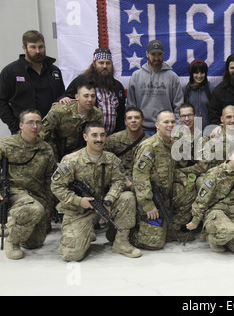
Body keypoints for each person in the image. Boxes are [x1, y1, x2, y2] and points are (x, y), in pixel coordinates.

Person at [51, 121, 141, 261]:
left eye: (102, 135)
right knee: (71, 255)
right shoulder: (71, 160)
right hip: (78, 211)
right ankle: (85, 233)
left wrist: (109, 199)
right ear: (85, 137)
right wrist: (79, 201)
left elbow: (119, 181)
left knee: (128, 196)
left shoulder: (111, 159)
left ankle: (121, 241)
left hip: (103, 205)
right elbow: (56, 186)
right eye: (94, 135)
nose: (99, 139)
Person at [131, 110, 195, 249]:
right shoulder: (150, 146)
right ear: (157, 125)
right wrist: (148, 204)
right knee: (155, 243)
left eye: (173, 122)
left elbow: (172, 169)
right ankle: (128, 234)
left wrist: (184, 179)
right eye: (166, 122)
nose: (170, 125)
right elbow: (139, 176)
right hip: (149, 198)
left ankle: (172, 229)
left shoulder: (171, 144)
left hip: (165, 195)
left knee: (189, 192)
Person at [0, 109, 55, 259]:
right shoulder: (5, 145)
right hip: (13, 192)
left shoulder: (46, 149)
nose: (35, 126)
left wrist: (49, 205)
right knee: (33, 209)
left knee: (34, 243)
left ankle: (12, 225)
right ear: (21, 125)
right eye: (30, 122)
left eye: (38, 122)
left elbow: (49, 180)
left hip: (36, 195)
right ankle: (12, 242)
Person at [186, 145, 234, 254]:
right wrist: (196, 220)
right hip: (215, 210)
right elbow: (202, 198)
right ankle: (212, 239)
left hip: (232, 212)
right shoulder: (215, 173)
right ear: (229, 155)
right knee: (229, 230)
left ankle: (224, 235)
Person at [0, 30, 65, 134]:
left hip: (53, 131)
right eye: (33, 47)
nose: (38, 51)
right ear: (24, 48)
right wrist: (15, 127)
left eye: (41, 47)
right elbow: (1, 101)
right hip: (24, 132)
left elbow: (60, 96)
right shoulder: (11, 72)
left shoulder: (54, 71)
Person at [58, 48, 126, 135]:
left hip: (112, 139)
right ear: (94, 64)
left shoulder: (118, 86)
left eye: (108, 63)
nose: (105, 66)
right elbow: (65, 98)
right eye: (101, 63)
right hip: (86, 140)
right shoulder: (81, 81)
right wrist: (64, 99)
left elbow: (120, 115)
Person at [127, 39, 184, 136]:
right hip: (142, 130)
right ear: (147, 54)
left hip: (166, 129)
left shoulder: (172, 77)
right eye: (153, 54)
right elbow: (130, 106)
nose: (156, 58)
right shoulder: (136, 76)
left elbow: (178, 106)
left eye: (159, 54)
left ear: (163, 55)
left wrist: (176, 130)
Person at [40, 83, 104, 161]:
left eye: (93, 96)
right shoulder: (61, 111)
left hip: (80, 156)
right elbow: (42, 132)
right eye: (86, 96)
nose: (90, 100)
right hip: (55, 153)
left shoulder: (97, 115)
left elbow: (98, 138)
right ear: (77, 97)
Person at [104, 106, 149, 189]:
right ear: (125, 121)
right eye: (129, 118)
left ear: (142, 121)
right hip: (118, 178)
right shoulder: (114, 139)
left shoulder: (149, 142)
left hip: (140, 180)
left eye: (137, 118)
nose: (133, 120)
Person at [183, 59, 215, 132]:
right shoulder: (185, 90)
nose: (199, 76)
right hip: (189, 130)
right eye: (196, 73)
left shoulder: (211, 89)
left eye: (202, 72)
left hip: (208, 130)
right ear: (191, 74)